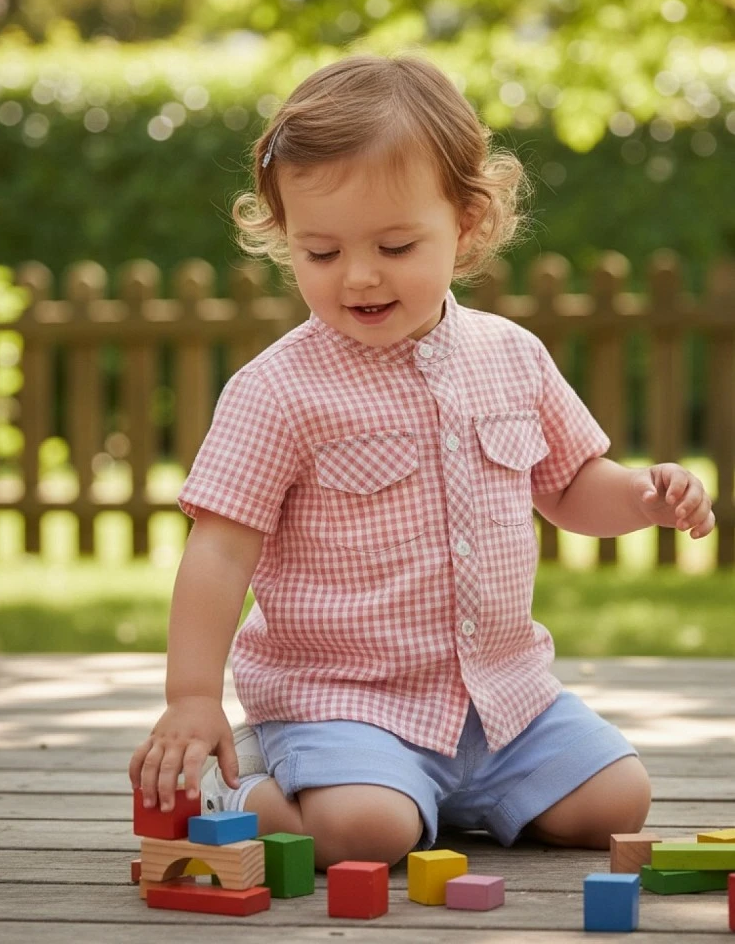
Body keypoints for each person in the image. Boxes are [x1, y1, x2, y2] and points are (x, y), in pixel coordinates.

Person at [129, 53, 715, 871]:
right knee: (368, 833)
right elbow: (220, 551)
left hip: (505, 705)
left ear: (468, 225)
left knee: (618, 801)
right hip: (345, 704)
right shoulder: (278, 390)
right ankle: (243, 793)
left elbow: (574, 487)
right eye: (320, 254)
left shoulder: (512, 355)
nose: (359, 276)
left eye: (396, 245)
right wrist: (193, 699)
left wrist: (644, 498)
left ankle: (450, 794)